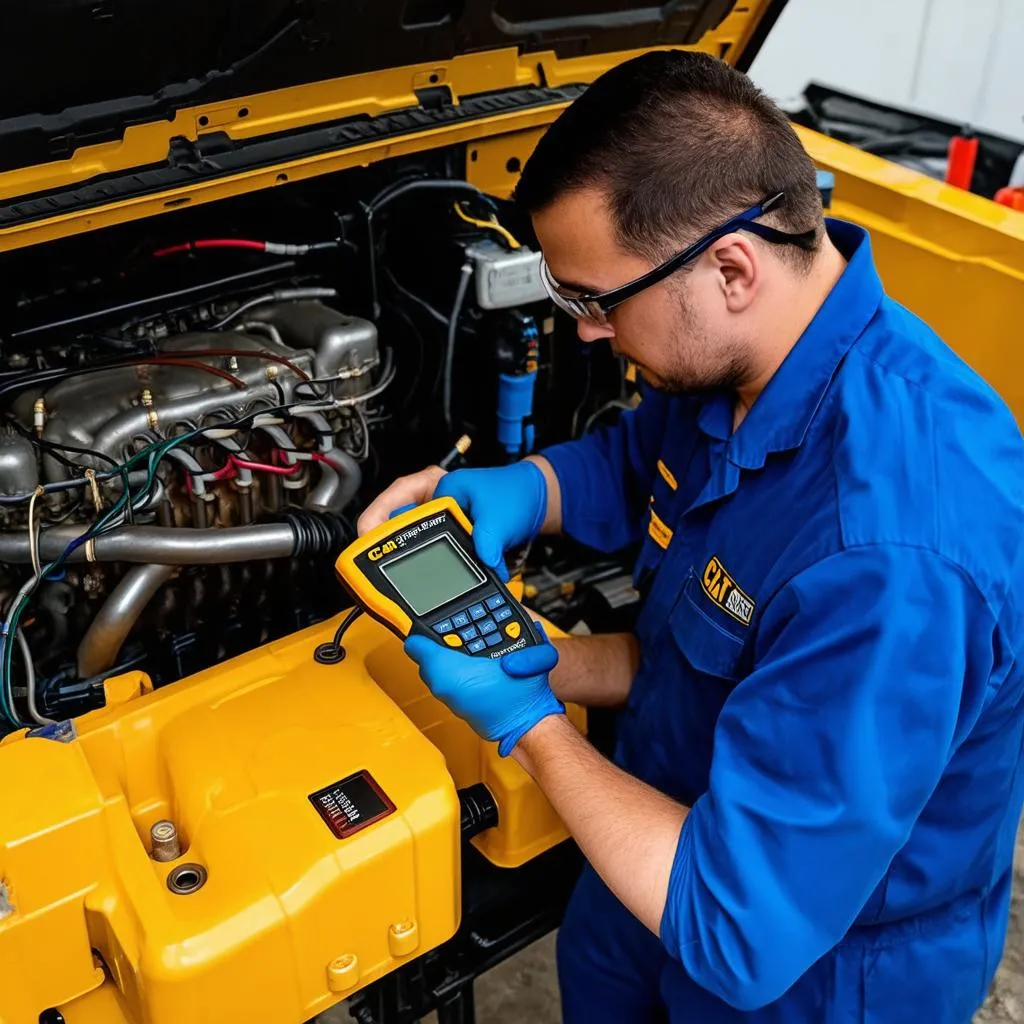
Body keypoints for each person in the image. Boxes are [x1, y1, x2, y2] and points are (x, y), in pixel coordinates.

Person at [358, 50, 1024, 1023]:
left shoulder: (890, 556)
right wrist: (516, 491)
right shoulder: (748, 360)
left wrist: (529, 724)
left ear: (731, 266)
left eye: (596, 299)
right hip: (650, 839)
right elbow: (639, 465)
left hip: (814, 975)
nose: (584, 332)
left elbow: (737, 923)